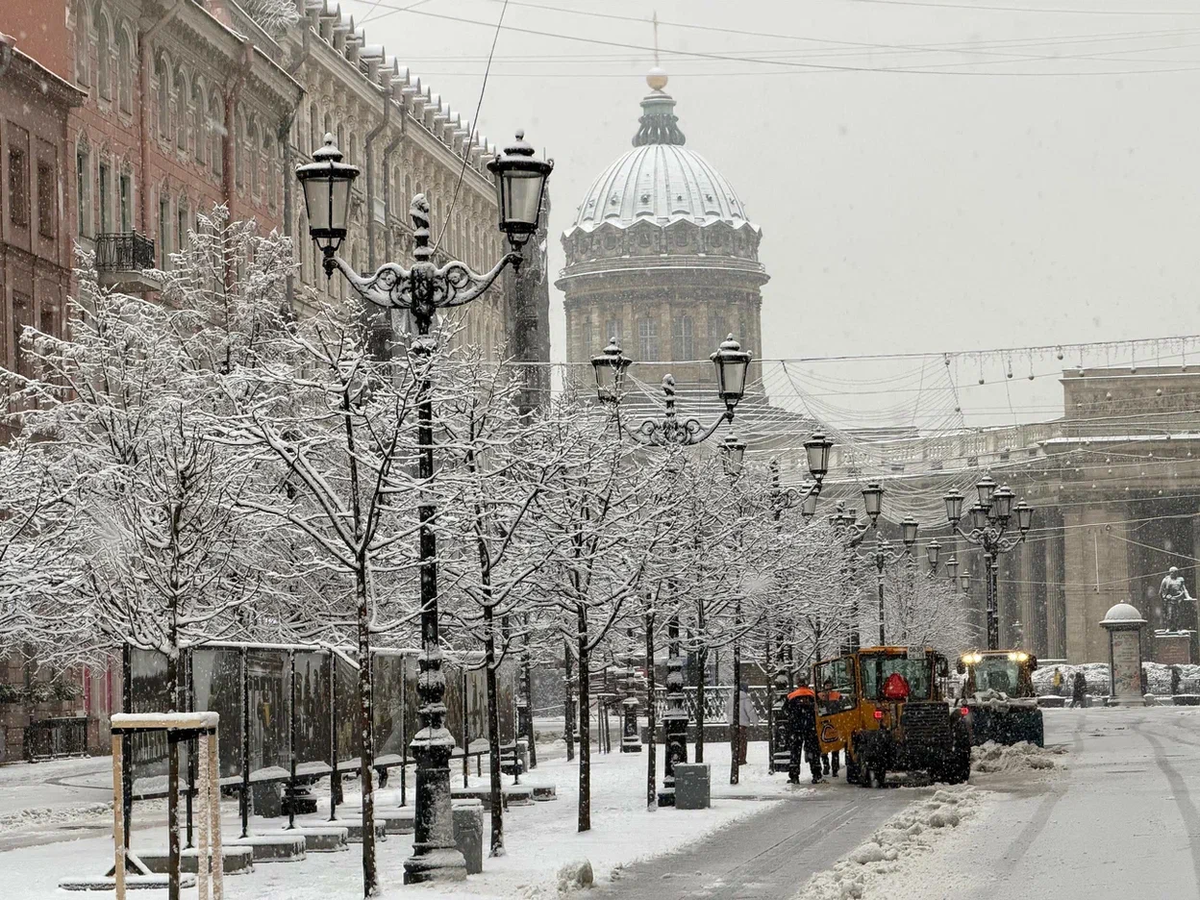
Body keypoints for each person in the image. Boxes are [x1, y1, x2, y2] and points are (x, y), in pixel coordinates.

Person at [785, 681, 823, 785]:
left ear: (798, 685)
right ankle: (816, 774)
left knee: (795, 752)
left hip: (796, 728)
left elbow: (786, 710)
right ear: (807, 685)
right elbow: (820, 709)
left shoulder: (791, 696)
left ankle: (794, 776)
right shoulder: (813, 695)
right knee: (812, 751)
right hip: (811, 727)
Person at [728, 681, 758, 766]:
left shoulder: (731, 698)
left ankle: (735, 757)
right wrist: (755, 722)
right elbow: (750, 712)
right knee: (742, 743)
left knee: (734, 742)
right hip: (742, 724)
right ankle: (741, 759)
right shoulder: (745, 699)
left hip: (732, 724)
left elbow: (726, 709)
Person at [817, 678, 841, 777]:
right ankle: (826, 766)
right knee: (824, 748)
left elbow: (841, 706)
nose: (828, 687)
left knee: (835, 748)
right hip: (823, 722)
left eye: (829, 685)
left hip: (834, 722)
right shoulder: (820, 695)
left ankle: (835, 769)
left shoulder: (837, 695)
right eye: (827, 685)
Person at [1160, 566, 1192, 633]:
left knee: (1178, 614)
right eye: (1171, 572)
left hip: (1178, 599)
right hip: (1170, 600)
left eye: (1175, 572)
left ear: (1177, 573)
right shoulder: (1166, 580)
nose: (1173, 573)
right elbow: (1161, 591)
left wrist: (1188, 596)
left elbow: (1184, 589)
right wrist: (1165, 597)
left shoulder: (1180, 580)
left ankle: (1178, 628)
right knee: (1170, 614)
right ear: (1169, 572)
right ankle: (1168, 627)